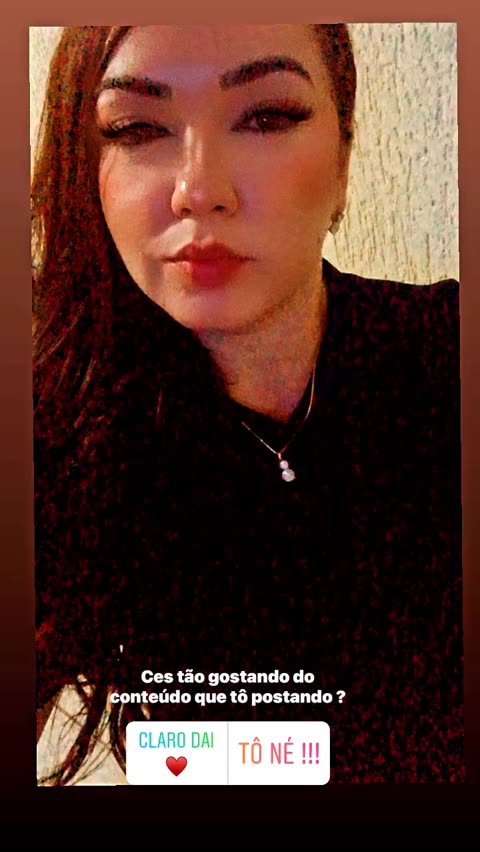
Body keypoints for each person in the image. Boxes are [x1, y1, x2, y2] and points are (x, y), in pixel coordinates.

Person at [33, 24, 462, 785]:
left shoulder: (447, 355)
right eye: (137, 129)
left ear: (344, 161)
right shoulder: (62, 426)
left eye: (266, 117)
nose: (199, 189)